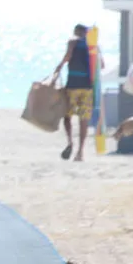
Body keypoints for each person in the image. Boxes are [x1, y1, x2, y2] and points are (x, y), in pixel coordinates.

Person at [55, 24, 97, 162]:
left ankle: (70, 142)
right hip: (87, 86)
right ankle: (80, 152)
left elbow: (68, 56)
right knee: (83, 119)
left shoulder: (72, 41)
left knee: (67, 116)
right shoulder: (93, 46)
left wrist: (59, 67)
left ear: (76, 31)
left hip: (73, 85)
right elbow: (100, 65)